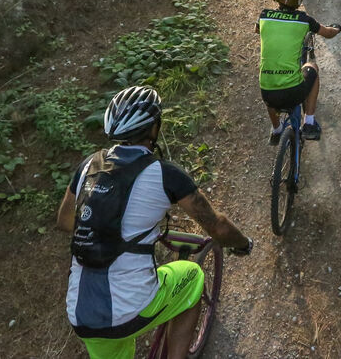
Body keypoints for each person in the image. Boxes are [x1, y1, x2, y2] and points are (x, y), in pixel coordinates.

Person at [59, 86, 252, 359]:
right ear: (154, 128)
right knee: (192, 277)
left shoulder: (88, 166)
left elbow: (66, 221)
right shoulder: (165, 174)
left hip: (81, 313)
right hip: (130, 307)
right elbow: (217, 226)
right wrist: (243, 243)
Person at [258, 0, 341, 142]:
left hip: (266, 92)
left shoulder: (263, 16)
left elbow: (257, 30)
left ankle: (276, 131)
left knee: (270, 85)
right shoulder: (304, 20)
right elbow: (327, 33)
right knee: (313, 68)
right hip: (292, 91)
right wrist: (336, 29)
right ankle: (309, 123)